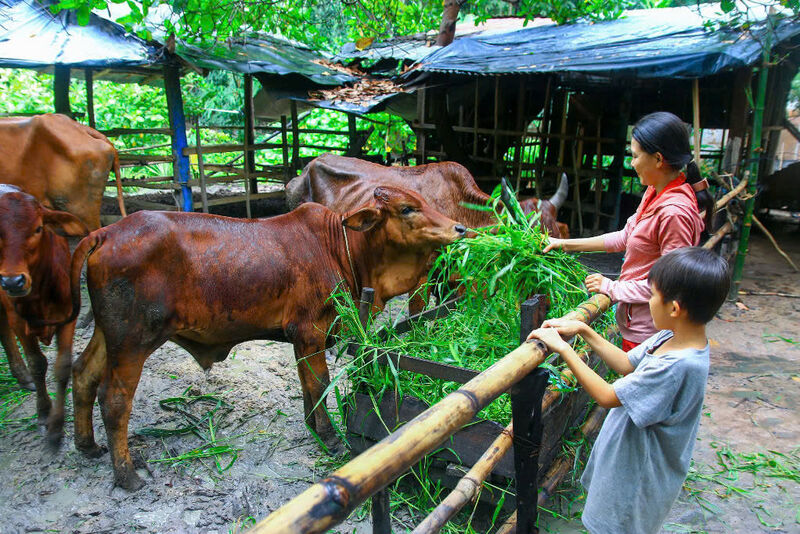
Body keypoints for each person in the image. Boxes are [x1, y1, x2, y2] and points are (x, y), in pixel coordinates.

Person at [527, 247, 731, 534]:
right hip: (628, 465)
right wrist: (584, 330)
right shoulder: (671, 336)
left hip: (637, 480)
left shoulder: (676, 366)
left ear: (674, 308)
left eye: (652, 296)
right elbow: (625, 364)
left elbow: (608, 396)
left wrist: (562, 348)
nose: (648, 302)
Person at [544, 111, 714, 351]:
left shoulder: (674, 212)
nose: (632, 163)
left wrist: (611, 287)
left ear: (658, 159)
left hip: (652, 331)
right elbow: (626, 236)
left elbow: (671, 285)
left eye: (635, 156)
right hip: (637, 322)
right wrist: (564, 244)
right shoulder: (655, 192)